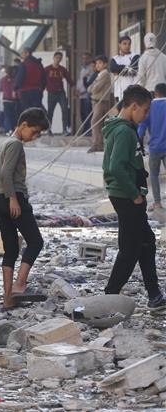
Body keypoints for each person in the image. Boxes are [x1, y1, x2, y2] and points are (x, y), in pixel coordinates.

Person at [102, 85, 165, 310]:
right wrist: (134, 195)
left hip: (126, 195)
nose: (146, 115)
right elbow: (116, 166)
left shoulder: (124, 129)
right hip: (126, 197)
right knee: (130, 249)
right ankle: (110, 294)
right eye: (145, 110)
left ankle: (154, 295)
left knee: (146, 243)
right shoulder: (123, 132)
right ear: (134, 106)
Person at [0, 107, 50, 310]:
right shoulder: (16, 145)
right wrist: (13, 199)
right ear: (23, 125)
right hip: (12, 198)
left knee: (11, 249)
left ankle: (7, 298)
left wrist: (1, 197)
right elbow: (7, 173)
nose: (34, 137)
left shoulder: (4, 143)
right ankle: (20, 284)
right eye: (34, 132)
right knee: (35, 241)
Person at [139, 83, 166, 210]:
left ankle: (157, 202)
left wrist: (137, 140)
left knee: (154, 175)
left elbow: (142, 126)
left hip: (154, 147)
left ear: (155, 93)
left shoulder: (150, 107)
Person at [88, 55, 113, 153]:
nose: (97, 65)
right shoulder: (99, 74)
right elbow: (90, 87)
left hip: (100, 101)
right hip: (96, 101)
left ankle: (96, 144)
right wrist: (91, 88)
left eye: (100, 63)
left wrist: (91, 88)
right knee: (99, 124)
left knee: (94, 122)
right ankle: (100, 144)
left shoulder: (105, 74)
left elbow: (95, 88)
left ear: (105, 64)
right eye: (97, 63)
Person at [45, 52, 74, 135]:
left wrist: (73, 88)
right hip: (51, 93)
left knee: (65, 109)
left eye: (60, 58)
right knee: (50, 112)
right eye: (57, 57)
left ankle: (64, 129)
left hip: (61, 92)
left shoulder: (62, 69)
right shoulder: (47, 69)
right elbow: (42, 80)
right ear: (53, 58)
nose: (58, 59)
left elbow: (69, 79)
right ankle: (48, 129)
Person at [14, 47, 46, 113]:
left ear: (27, 53)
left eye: (22, 53)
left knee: (27, 112)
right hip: (37, 91)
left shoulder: (23, 65)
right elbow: (44, 78)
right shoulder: (39, 64)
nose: (21, 55)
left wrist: (15, 88)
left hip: (25, 92)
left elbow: (20, 78)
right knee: (36, 111)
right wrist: (41, 89)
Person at [109, 35, 140, 102]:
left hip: (132, 92)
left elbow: (134, 70)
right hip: (118, 92)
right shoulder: (115, 59)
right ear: (119, 44)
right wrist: (127, 68)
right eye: (124, 44)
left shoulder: (135, 56)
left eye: (129, 44)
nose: (127, 46)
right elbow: (113, 69)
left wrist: (119, 71)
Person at [76, 53, 94, 136]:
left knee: (88, 113)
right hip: (81, 95)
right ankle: (85, 129)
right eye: (83, 58)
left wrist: (83, 91)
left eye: (86, 58)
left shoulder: (92, 68)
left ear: (90, 59)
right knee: (82, 113)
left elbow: (90, 82)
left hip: (87, 94)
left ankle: (88, 131)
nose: (84, 60)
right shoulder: (83, 68)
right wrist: (77, 90)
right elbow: (80, 80)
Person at [0, 66, 19, 134]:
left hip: (5, 100)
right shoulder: (15, 80)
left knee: (7, 115)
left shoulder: (2, 80)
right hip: (14, 100)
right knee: (13, 115)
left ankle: (8, 129)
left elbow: (1, 89)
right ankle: (13, 129)